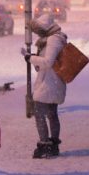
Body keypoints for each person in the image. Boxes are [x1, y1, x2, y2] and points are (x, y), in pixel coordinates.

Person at [21, 13, 68, 158]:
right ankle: (52, 145)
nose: (37, 33)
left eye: (39, 30)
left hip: (49, 83)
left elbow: (48, 62)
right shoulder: (53, 38)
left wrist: (30, 58)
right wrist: (35, 60)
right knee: (52, 114)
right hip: (52, 81)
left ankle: (45, 145)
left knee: (40, 114)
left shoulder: (53, 40)